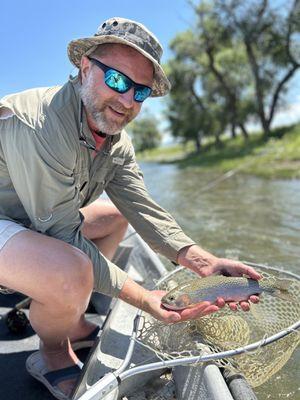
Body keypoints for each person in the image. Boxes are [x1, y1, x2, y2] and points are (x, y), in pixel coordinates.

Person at [0, 17, 261, 399]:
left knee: (115, 217)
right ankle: (52, 351)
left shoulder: (115, 142)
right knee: (74, 269)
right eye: (118, 81)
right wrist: (145, 299)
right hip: (12, 224)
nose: (126, 101)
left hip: (30, 226)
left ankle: (64, 313)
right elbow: (61, 235)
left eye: (139, 92)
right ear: (85, 67)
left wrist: (203, 262)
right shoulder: (42, 123)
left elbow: (142, 208)